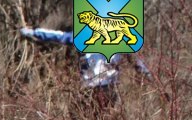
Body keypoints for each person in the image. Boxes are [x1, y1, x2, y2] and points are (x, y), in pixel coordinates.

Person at [19, 26, 150, 107]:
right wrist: (33, 32)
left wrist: (146, 74)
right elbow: (59, 36)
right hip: (96, 88)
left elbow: (59, 36)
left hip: (101, 87)